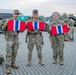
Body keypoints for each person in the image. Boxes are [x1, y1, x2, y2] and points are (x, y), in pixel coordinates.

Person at [2, 10, 20, 74]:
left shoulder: (18, 21)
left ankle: (13, 63)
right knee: (9, 53)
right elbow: (3, 29)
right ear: (13, 14)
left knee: (15, 52)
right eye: (15, 14)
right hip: (9, 38)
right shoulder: (9, 20)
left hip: (16, 38)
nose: (16, 15)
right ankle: (8, 66)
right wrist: (6, 23)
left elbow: (19, 30)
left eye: (18, 14)